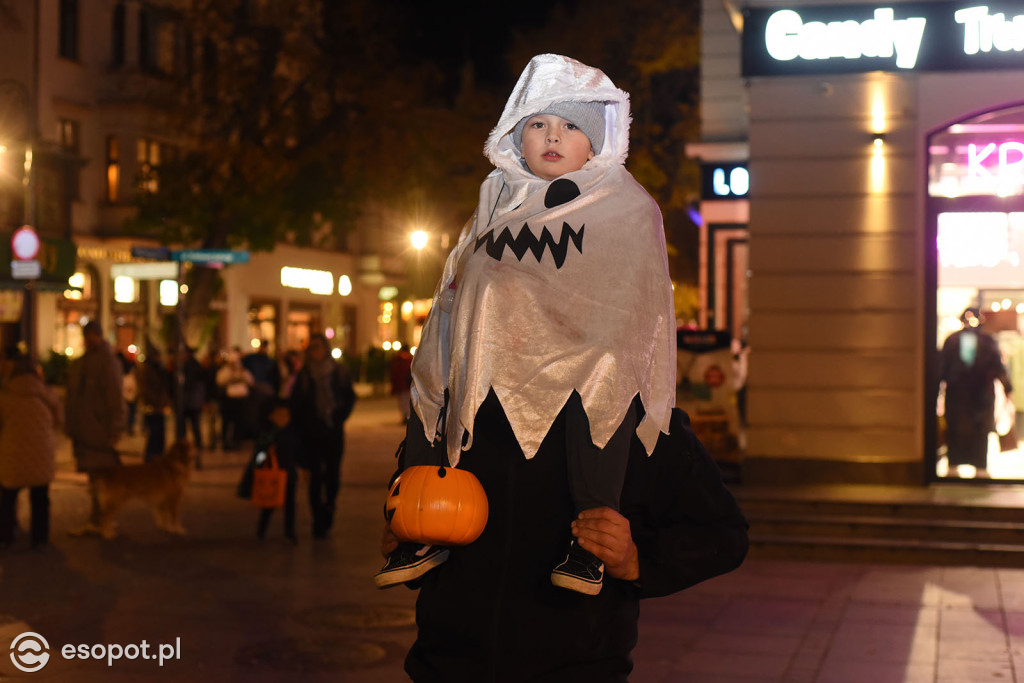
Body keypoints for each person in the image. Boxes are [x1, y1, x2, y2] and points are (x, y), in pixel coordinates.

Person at [374, 54, 747, 680]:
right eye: (503, 290)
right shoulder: (461, 421)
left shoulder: (634, 423)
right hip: (448, 666)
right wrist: (405, 526)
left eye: (571, 127)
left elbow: (723, 535)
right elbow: (427, 528)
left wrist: (634, 560)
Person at [289, 333, 356, 538]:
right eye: (312, 348)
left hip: (333, 431)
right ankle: (318, 519)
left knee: (333, 474)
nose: (315, 351)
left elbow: (349, 397)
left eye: (318, 347)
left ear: (325, 349)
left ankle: (330, 506)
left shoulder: (338, 371)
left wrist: (339, 416)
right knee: (315, 477)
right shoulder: (304, 375)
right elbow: (296, 404)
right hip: (312, 434)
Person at [65, 320, 126, 536]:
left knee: (102, 478)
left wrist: (115, 429)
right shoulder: (83, 363)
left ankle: (102, 520)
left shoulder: (107, 363)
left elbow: (115, 398)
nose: (90, 339)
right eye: (87, 334)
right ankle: (98, 519)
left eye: (93, 334)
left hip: (98, 432)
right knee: (95, 479)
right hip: (85, 431)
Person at [939, 307, 1013, 477]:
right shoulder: (984, 341)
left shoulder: (955, 340)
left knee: (965, 431)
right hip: (972, 396)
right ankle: (969, 465)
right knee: (968, 432)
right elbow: (998, 368)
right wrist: (1007, 388)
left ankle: (962, 465)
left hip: (967, 396)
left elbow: (941, 369)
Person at [0, 354, 62, 549]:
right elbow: (59, 419)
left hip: (11, 452)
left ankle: (6, 535)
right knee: (40, 496)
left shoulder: (5, 395)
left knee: (8, 496)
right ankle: (40, 538)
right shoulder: (46, 394)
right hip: (41, 452)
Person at [252, 399, 299, 544]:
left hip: (289, 474)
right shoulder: (268, 435)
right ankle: (262, 530)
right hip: (273, 476)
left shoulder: (292, 433)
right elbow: (258, 456)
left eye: (286, 415)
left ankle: (289, 531)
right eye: (280, 415)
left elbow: (298, 453)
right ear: (271, 417)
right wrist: (263, 457)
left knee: (290, 504)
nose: (284, 419)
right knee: (269, 503)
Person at [173, 345, 207, 467]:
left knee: (193, 431)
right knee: (187, 431)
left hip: (191, 404)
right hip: (189, 404)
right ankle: (188, 457)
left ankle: (195, 457)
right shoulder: (183, 366)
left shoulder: (191, 367)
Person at [138, 345, 172, 462]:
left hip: (160, 407)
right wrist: (155, 401)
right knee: (154, 434)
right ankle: (151, 457)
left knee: (160, 434)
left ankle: (158, 456)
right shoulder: (147, 370)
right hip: (152, 408)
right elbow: (146, 389)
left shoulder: (160, 370)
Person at [216, 348, 255, 450]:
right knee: (226, 422)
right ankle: (225, 442)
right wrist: (231, 376)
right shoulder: (225, 371)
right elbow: (220, 380)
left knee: (239, 422)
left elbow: (251, 381)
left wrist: (241, 375)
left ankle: (237, 441)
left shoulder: (243, 371)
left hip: (241, 400)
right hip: (229, 400)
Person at [389, 345, 414, 423]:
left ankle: (405, 416)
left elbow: (394, 373)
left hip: (401, 385)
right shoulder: (411, 359)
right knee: (408, 401)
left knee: (402, 401)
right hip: (409, 384)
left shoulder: (397, 359)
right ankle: (408, 416)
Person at [118, 351, 138, 436]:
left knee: (129, 411)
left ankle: (128, 426)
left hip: (128, 393)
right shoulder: (128, 370)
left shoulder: (122, 369)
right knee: (129, 411)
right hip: (128, 393)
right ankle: (128, 426)